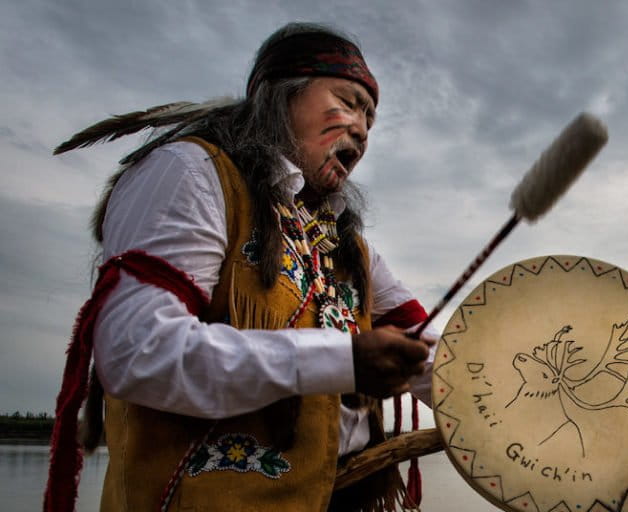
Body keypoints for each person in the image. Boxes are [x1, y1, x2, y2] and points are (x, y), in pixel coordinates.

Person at [45, 22, 437, 512]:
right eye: (347, 102)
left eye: (370, 119)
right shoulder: (190, 173)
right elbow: (138, 351)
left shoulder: (347, 246)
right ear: (280, 96)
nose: (360, 128)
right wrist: (343, 361)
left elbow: (433, 355)